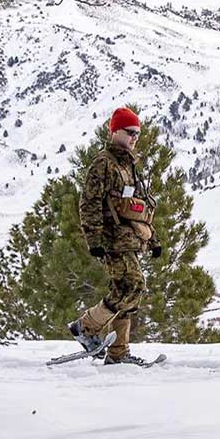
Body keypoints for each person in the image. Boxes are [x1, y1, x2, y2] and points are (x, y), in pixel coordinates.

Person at [70, 107, 162, 366]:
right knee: (129, 286)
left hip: (130, 240)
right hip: (111, 241)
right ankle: (85, 327)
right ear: (114, 131)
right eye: (130, 132)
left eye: (138, 133)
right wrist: (94, 241)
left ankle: (118, 353)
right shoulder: (104, 163)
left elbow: (140, 208)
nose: (135, 137)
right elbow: (89, 203)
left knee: (132, 292)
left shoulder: (130, 165)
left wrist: (152, 240)